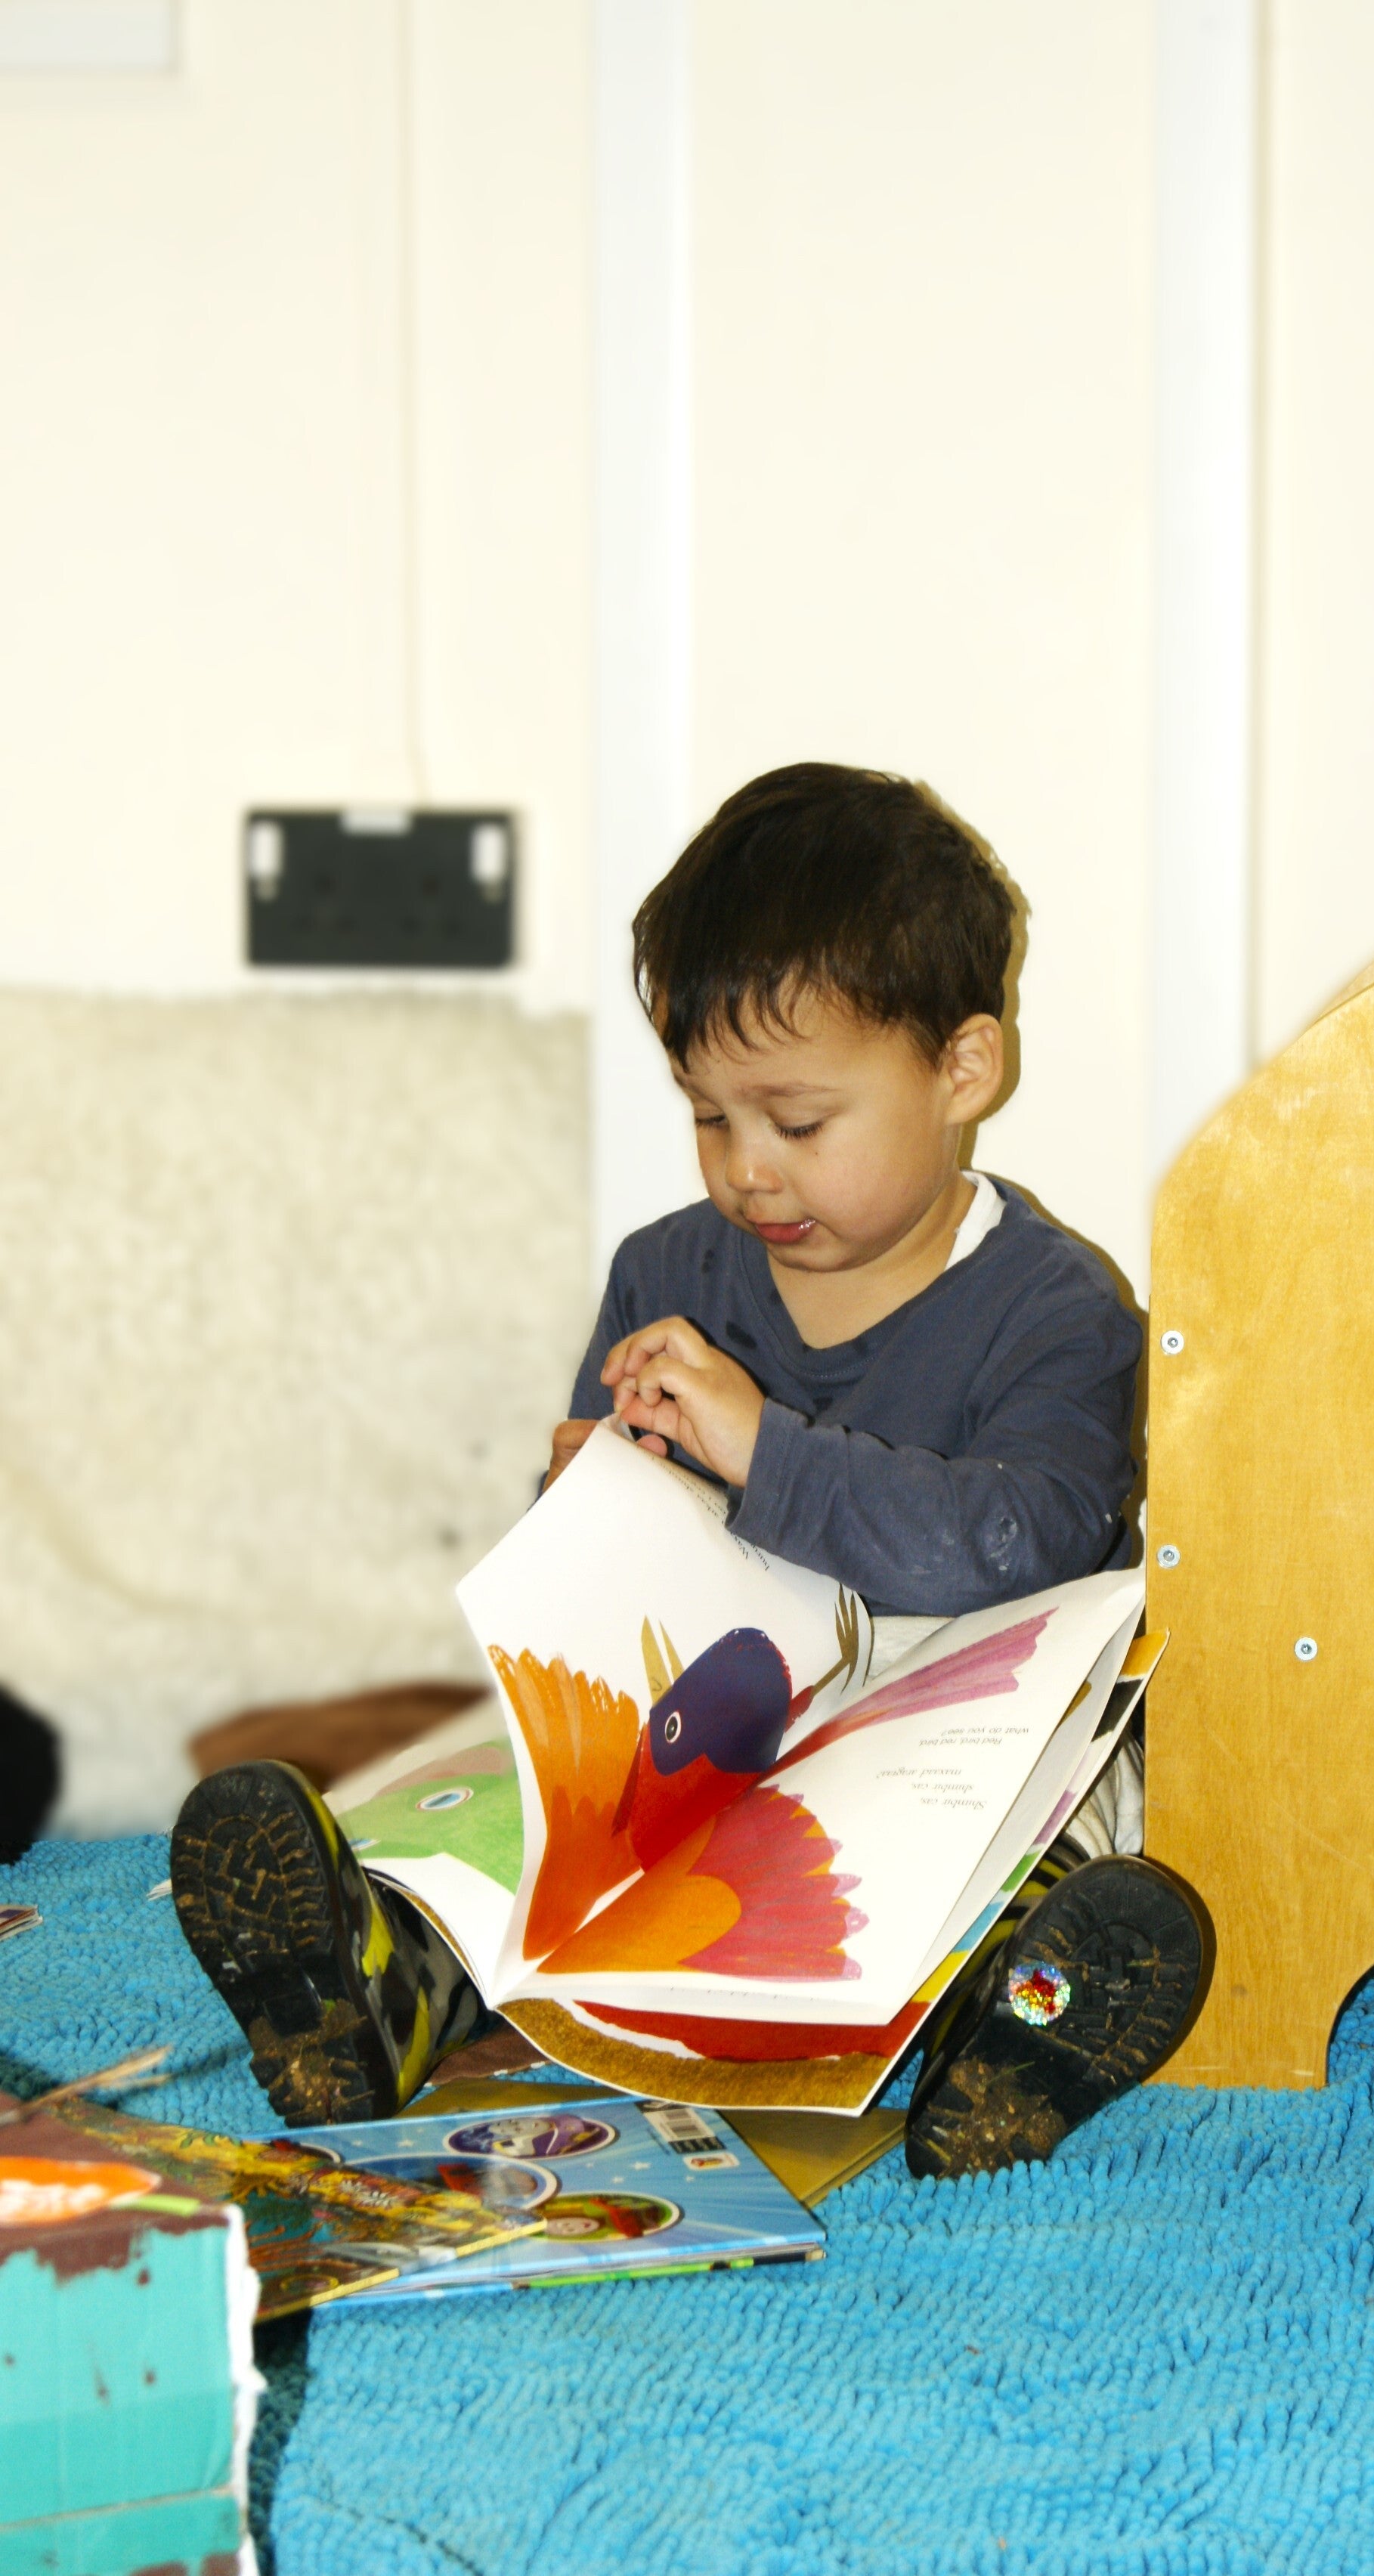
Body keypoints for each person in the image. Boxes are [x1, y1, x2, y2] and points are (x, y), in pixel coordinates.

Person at [171, 764, 1205, 2173]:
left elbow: (1025, 1542)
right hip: (718, 1751)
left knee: (1073, 1818)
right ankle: (368, 1984)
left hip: (962, 1740)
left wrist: (762, 1450)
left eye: (798, 1122)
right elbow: (594, 1608)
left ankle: (1015, 2032)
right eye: (710, 1116)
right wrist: (594, 1511)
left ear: (964, 1071)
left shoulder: (1060, 1308)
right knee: (517, 1802)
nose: (747, 1170)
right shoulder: (668, 1274)